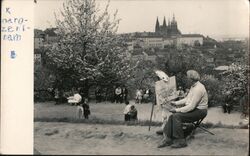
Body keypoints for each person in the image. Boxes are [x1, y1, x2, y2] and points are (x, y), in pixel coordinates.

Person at [157, 70, 208, 148]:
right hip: (195, 109)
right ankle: (168, 138)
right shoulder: (194, 86)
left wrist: (176, 110)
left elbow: (191, 106)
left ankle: (181, 141)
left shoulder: (198, 89)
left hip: (200, 111)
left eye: (187, 78)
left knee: (176, 116)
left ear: (191, 79)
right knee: (172, 116)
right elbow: (187, 99)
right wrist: (176, 103)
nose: (186, 79)